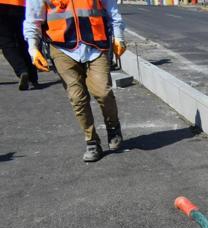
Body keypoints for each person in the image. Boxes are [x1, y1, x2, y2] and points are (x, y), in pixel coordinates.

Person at [24, 0, 126, 162]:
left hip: (96, 44)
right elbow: (33, 19)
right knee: (77, 96)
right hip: (61, 48)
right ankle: (91, 141)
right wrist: (33, 48)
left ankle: (113, 127)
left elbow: (112, 10)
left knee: (103, 92)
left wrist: (118, 36)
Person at [0, 0, 37, 90]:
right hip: (21, 5)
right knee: (23, 40)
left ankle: (22, 71)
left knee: (7, 43)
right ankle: (32, 76)